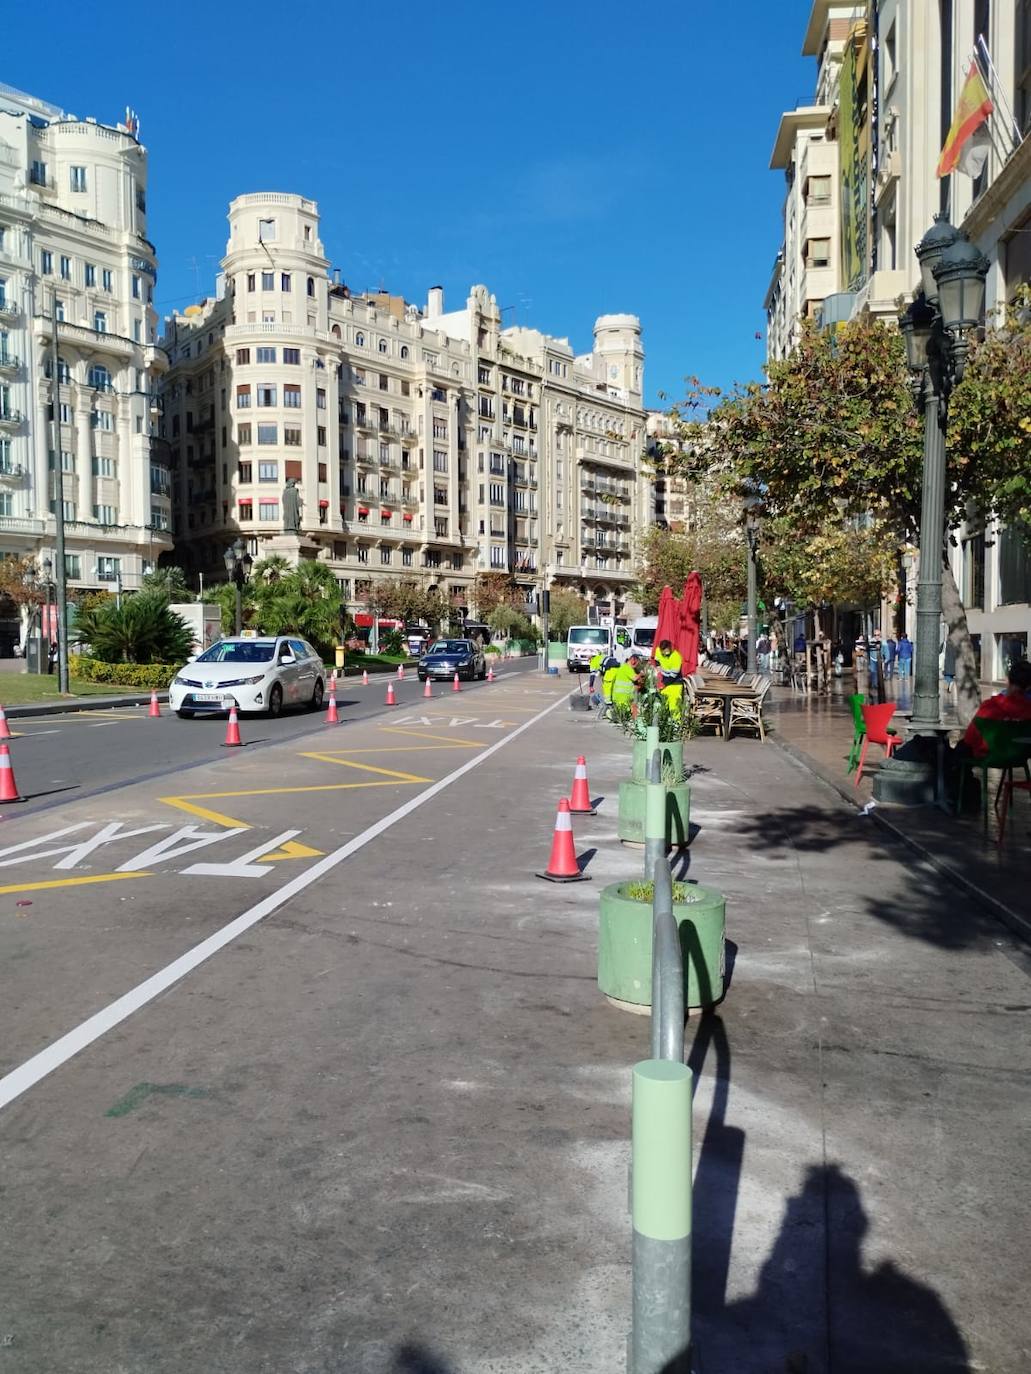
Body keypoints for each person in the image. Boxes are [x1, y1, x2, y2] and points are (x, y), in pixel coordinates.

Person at [958, 660, 1031, 758]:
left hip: (990, 754)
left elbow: (970, 738)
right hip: (1020, 755)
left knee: (960, 747)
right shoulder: (1028, 708)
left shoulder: (990, 706)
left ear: (1008, 680)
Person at [653, 638, 684, 718]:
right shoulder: (658, 651)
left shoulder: (676, 657)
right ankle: (665, 722)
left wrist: (663, 684)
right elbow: (656, 661)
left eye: (667, 652)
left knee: (673, 705)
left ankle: (676, 725)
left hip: (675, 683)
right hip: (665, 679)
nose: (665, 654)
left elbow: (673, 676)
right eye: (663, 652)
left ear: (670, 648)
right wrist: (659, 672)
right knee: (663, 703)